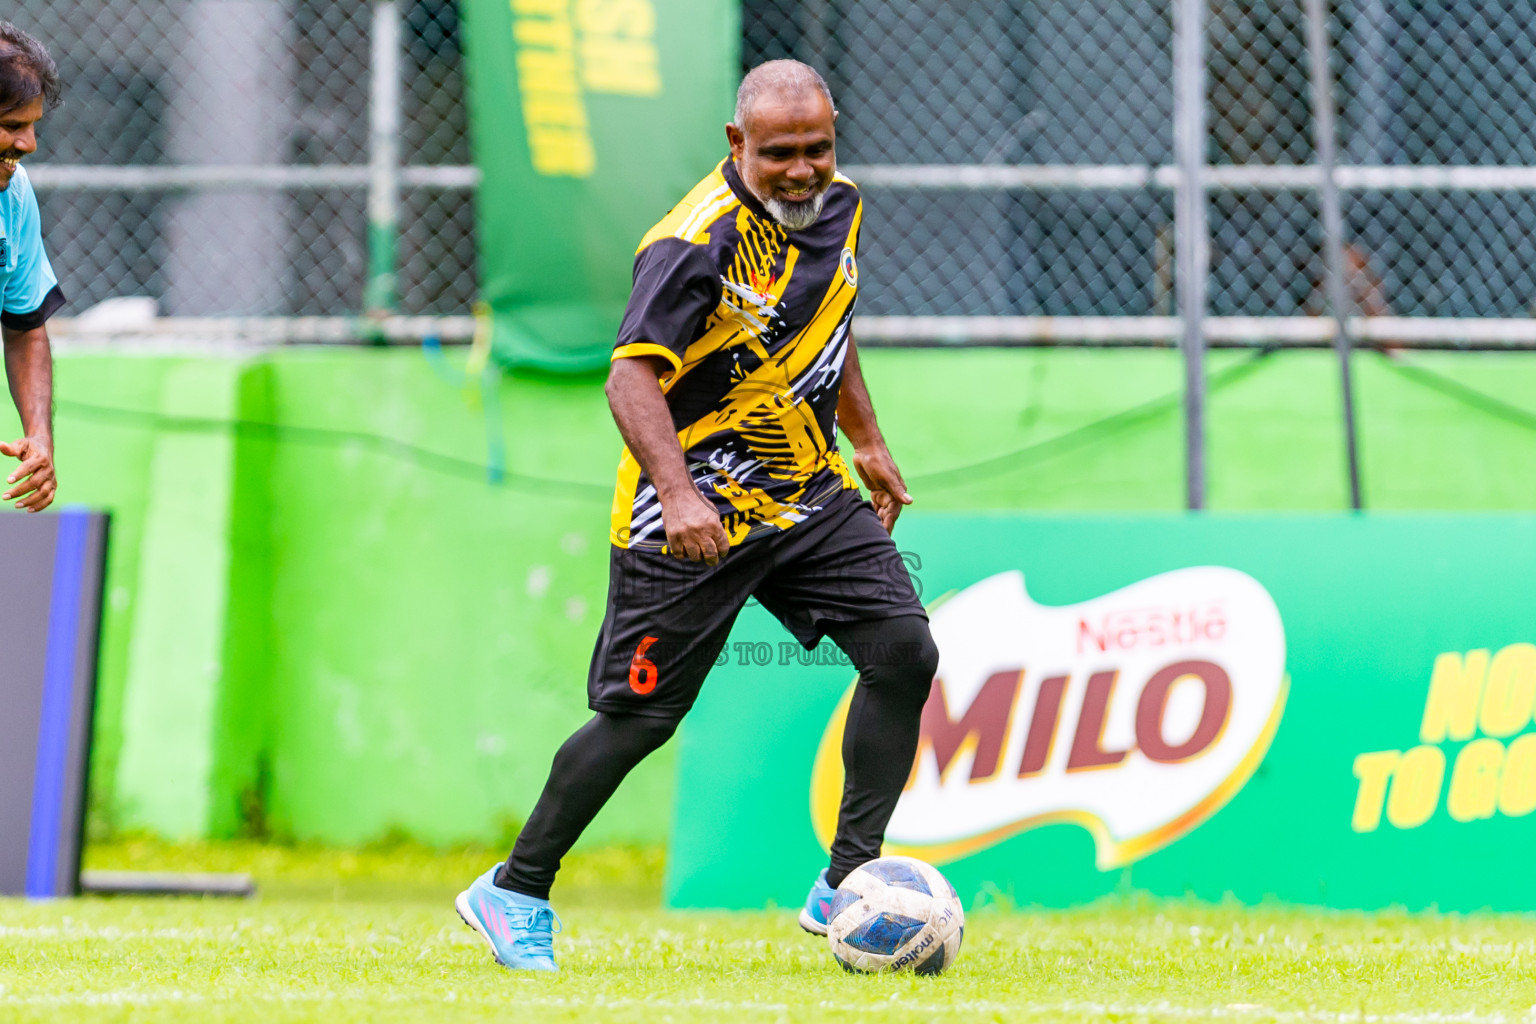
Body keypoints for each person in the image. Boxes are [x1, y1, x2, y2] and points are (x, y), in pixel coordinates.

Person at [455, 60, 938, 972]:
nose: (803, 171)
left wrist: (865, 438)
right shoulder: (690, 245)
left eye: (818, 150)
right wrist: (677, 494)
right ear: (736, 143)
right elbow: (629, 376)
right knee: (640, 720)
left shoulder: (838, 205)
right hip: (690, 511)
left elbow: (826, 320)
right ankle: (513, 889)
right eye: (781, 154)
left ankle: (849, 881)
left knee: (903, 650)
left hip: (802, 489)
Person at [0, 23, 61, 513]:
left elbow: (25, 327)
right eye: (13, 126)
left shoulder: (14, 197)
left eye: (33, 125)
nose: (29, 145)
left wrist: (38, 434)